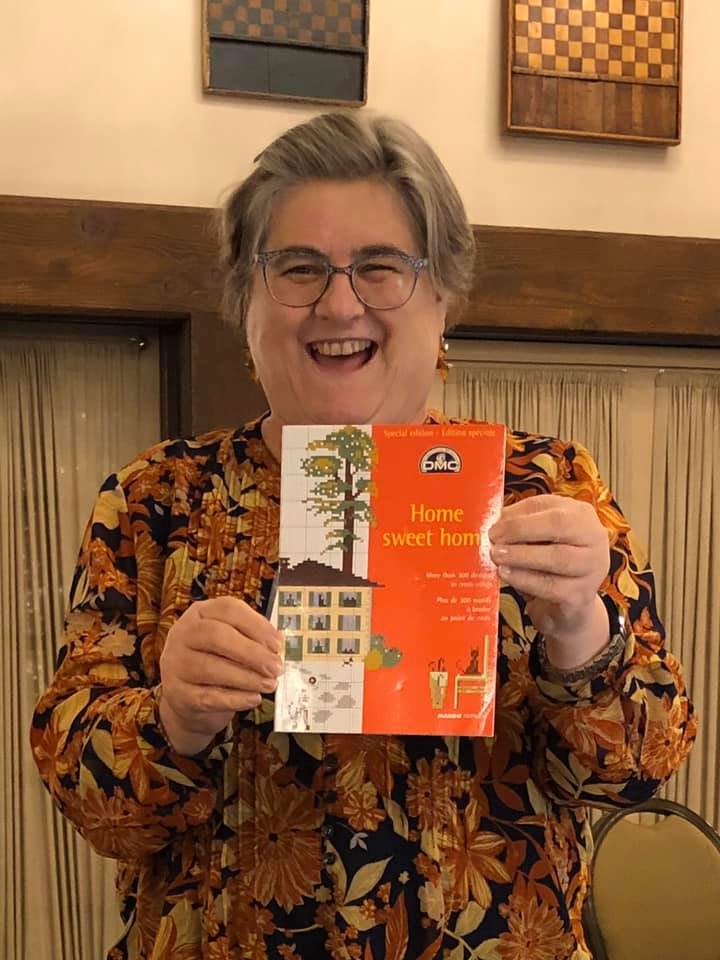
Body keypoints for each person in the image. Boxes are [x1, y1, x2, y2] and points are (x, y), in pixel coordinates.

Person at [30, 112, 695, 960]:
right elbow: (93, 808)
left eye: (381, 267)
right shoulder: (155, 499)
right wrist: (173, 716)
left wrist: (580, 630)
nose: (339, 303)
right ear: (245, 302)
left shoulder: (545, 485)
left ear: (443, 297)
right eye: (298, 268)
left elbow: (636, 774)